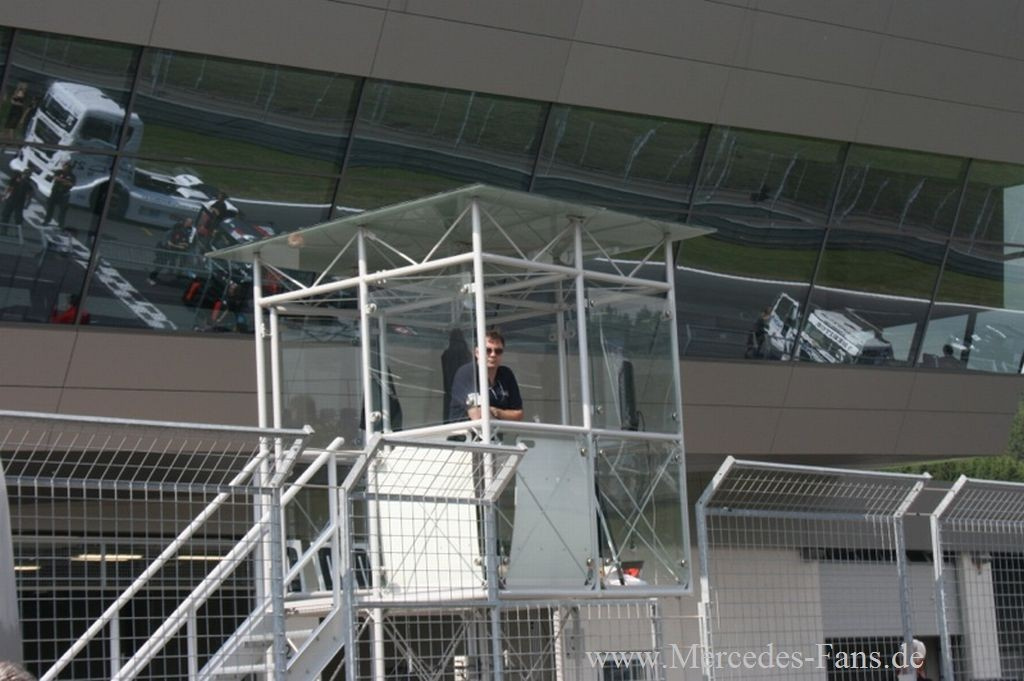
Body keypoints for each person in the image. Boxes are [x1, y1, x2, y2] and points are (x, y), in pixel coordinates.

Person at [449, 330, 523, 422]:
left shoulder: (506, 374)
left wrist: (496, 412)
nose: (493, 354)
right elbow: (477, 415)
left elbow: (518, 414)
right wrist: (506, 414)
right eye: (488, 350)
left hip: (497, 430)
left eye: (498, 351)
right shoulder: (467, 373)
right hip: (466, 430)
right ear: (477, 353)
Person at [149, 217, 194, 284]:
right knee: (161, 265)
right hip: (165, 251)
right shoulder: (170, 233)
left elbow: (182, 242)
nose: (181, 230)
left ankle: (171, 277)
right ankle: (151, 277)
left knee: (172, 264)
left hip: (173, 252)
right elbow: (169, 243)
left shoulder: (183, 233)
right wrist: (179, 246)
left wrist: (182, 244)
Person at [441, 328, 471, 422]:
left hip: (450, 387)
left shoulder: (446, 354)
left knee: (450, 408)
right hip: (464, 387)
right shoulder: (467, 353)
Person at [43, 160, 76, 228]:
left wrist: (62, 181)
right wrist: (65, 181)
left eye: (69, 167)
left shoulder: (72, 176)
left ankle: (61, 224)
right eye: (66, 166)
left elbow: (71, 184)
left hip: (64, 194)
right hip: (55, 192)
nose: (66, 168)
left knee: (63, 210)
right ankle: (46, 221)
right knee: (50, 208)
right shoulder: (59, 172)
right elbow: (55, 178)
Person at [1, 170, 33, 235]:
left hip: (20, 202)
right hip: (11, 199)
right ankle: (3, 230)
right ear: (23, 174)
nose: (26, 176)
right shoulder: (16, 179)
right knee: (5, 215)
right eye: (26, 174)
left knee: (18, 218)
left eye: (28, 175)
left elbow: (29, 194)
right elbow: (9, 187)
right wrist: (4, 196)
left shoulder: (29, 183)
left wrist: (27, 203)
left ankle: (18, 233)